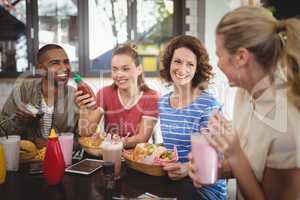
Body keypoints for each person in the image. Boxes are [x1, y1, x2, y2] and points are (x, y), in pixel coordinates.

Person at [188, 6, 300, 200]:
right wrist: (214, 170)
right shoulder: (243, 92)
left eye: (219, 55)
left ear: (241, 57)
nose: (218, 63)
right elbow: (249, 166)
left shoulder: (287, 124)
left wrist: (234, 153)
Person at [159, 35, 227, 199]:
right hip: (172, 181)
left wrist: (186, 168)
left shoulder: (208, 105)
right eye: (178, 61)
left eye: (190, 64)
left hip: (204, 189)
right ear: (169, 63)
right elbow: (172, 147)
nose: (182, 69)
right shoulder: (162, 102)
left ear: (197, 69)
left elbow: (217, 157)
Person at [76, 43, 159, 148]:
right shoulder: (104, 94)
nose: (119, 74)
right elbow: (86, 132)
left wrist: (117, 142)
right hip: (109, 155)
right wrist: (83, 110)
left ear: (139, 69)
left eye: (125, 69)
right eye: (115, 69)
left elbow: (142, 138)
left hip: (138, 158)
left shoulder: (152, 97)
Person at [0, 44, 79, 148]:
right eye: (55, 63)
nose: (64, 68)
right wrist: (20, 122)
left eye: (66, 62)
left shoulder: (76, 96)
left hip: (62, 161)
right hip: (27, 160)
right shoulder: (23, 90)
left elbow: (81, 141)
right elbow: (2, 132)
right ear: (40, 69)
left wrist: (51, 144)